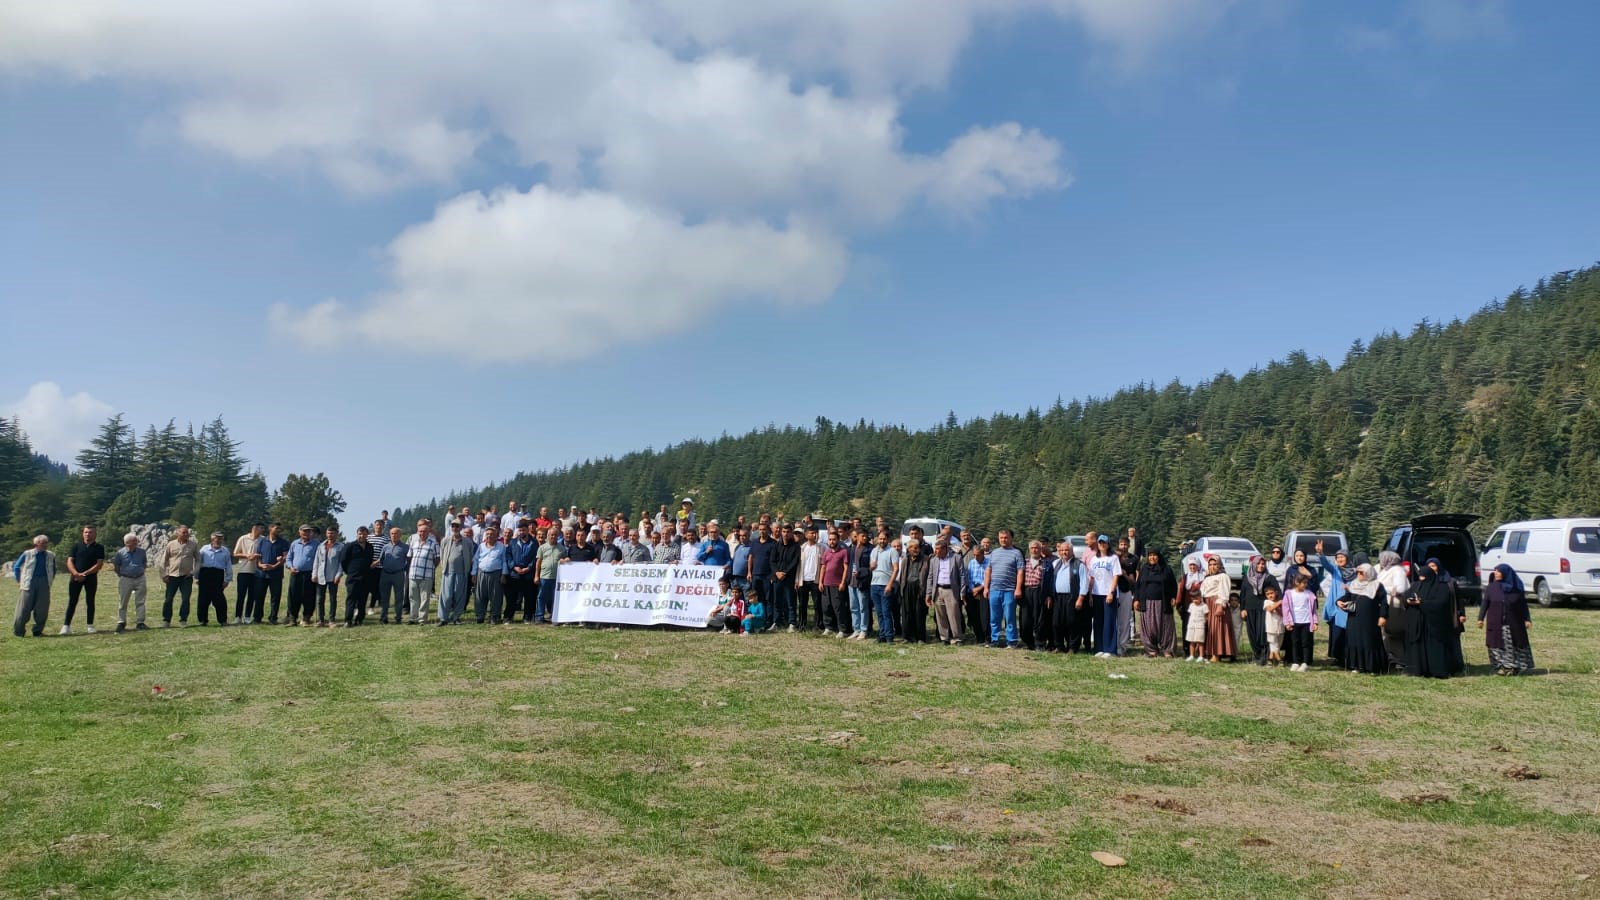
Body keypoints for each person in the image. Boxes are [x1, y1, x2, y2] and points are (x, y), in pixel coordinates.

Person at [1404, 561, 1456, 679]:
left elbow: (1441, 602)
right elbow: (1406, 596)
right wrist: (1408, 601)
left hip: (1433, 623)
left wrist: (1422, 603)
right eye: (1420, 577)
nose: (1422, 580)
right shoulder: (1416, 585)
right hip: (1417, 622)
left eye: (1424, 577)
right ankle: (1418, 669)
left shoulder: (1441, 587)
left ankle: (1437, 670)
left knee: (1435, 647)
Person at [1480, 564, 1534, 676]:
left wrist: (1527, 619)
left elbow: (1523, 605)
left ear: (1505, 573)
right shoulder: (1492, 588)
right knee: (1496, 645)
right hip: (1496, 622)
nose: (1495, 573)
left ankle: (1513, 667)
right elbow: (1485, 603)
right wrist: (1480, 618)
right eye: (1495, 571)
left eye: (1498, 571)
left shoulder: (1516, 589)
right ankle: (1501, 666)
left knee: (1513, 645)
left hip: (1514, 623)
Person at [1343, 564, 1389, 674]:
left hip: (1370, 620)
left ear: (1369, 573)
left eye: (1361, 572)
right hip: (1354, 618)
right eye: (1357, 572)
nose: (1358, 574)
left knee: (1369, 641)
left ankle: (1373, 667)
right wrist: (1339, 601)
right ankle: (1357, 665)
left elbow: (1384, 602)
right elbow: (1348, 596)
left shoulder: (1377, 585)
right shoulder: (1354, 584)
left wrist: (1383, 616)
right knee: (1355, 640)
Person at [61, 525, 106, 635]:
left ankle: (90, 626)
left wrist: (85, 574)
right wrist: (76, 574)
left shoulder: (99, 547)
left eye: (90, 532)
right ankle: (66, 626)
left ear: (95, 534)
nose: (88, 534)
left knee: (90, 601)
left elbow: (99, 564)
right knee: (72, 601)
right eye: (86, 532)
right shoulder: (76, 546)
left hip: (91, 578)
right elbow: (70, 561)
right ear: (83, 534)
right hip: (75, 577)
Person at [984, 529, 1024, 649]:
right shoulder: (994, 553)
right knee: (994, 617)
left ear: (1011, 538)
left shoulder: (1017, 553)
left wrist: (1018, 588)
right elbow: (988, 570)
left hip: (1009, 590)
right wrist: (986, 587)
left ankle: (1011, 641)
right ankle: (995, 640)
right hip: (994, 590)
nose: (1003, 540)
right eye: (1001, 537)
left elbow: (1020, 572)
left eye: (1006, 537)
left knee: (1009, 617)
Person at [1427, 558, 1468, 676]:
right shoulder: (1427, 582)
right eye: (1429, 566)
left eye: (1433, 566)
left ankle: (1456, 665)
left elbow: (1459, 599)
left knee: (1453, 641)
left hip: (1451, 615)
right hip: (1436, 617)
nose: (1431, 569)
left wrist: (1461, 614)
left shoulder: (1450, 581)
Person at [1134, 549, 1178, 658]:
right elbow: (1138, 585)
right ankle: (1151, 650)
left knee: (1165, 627)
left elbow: (1173, 585)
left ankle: (1167, 649)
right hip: (1147, 603)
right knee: (1149, 627)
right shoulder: (1144, 569)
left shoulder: (1166, 569)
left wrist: (1173, 597)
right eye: (1150, 555)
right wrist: (1136, 599)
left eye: (1154, 555)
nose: (1152, 557)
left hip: (1163, 603)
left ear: (1159, 557)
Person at [1317, 541, 1354, 665]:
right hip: (1335, 607)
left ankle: (1347, 658)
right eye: (1337, 557)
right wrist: (1321, 553)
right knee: (1336, 632)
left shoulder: (1354, 573)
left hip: (1347, 606)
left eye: (1342, 557)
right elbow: (1326, 565)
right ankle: (1337, 657)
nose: (1339, 559)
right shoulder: (1335, 570)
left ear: (1348, 558)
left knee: (1346, 632)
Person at [1085, 535, 1122, 656]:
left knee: (1109, 621)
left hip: (1108, 593)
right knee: (1098, 622)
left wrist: (1111, 592)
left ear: (1108, 544)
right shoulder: (1094, 559)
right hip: (1096, 594)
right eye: (1100, 543)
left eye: (1104, 543)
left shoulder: (1113, 558)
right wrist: (1090, 594)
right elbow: (1092, 578)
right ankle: (1099, 648)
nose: (1102, 545)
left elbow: (1116, 576)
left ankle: (1110, 649)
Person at [12, 535, 55, 637]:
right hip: (29, 582)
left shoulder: (51, 555)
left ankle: (37, 631)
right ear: (36, 544)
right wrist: (19, 580)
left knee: (42, 608)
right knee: (23, 608)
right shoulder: (27, 553)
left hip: (44, 582)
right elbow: (16, 567)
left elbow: (54, 569)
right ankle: (19, 632)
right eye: (43, 543)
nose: (45, 545)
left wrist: (50, 580)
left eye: (46, 542)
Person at [156, 526, 199, 627]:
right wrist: (163, 575)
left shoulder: (193, 545)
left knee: (185, 599)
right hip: (172, 576)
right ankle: (166, 620)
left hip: (186, 577)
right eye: (184, 532)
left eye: (187, 532)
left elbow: (198, 560)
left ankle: (183, 619)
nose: (186, 534)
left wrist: (193, 572)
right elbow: (163, 560)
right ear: (178, 533)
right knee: (168, 599)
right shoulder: (171, 544)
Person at [1238, 556, 1277, 666]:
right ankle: (1257, 655)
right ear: (1253, 565)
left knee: (1262, 633)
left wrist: (1274, 605)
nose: (1261, 566)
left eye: (1263, 564)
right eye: (1258, 563)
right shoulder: (1247, 578)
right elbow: (1243, 594)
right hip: (1249, 609)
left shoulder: (1269, 578)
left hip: (1263, 610)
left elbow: (1277, 592)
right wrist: (1242, 609)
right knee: (1252, 634)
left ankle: (1264, 657)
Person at [927, 537, 966, 646]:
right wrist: (928, 594)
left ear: (945, 549)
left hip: (951, 590)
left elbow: (962, 576)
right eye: (935, 549)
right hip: (938, 590)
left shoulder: (956, 558)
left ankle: (957, 637)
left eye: (938, 549)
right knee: (940, 615)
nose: (936, 551)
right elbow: (930, 577)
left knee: (954, 615)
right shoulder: (933, 560)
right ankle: (944, 637)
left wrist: (962, 592)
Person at [1048, 540, 1085, 654]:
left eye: (1067, 550)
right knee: (1056, 623)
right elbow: (1051, 581)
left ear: (1072, 551)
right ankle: (1059, 646)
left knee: (1072, 623)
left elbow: (1084, 583)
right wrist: (1050, 596)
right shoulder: (1056, 563)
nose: (1064, 552)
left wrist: (1080, 598)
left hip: (1072, 597)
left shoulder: (1079, 564)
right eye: (1062, 550)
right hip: (1058, 598)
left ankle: (1073, 647)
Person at [1201, 555, 1236, 663]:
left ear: (1219, 565)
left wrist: (1220, 605)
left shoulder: (1223, 576)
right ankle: (1209, 652)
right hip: (1207, 604)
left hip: (1216, 603)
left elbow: (1224, 591)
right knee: (1209, 628)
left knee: (1217, 629)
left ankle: (1216, 654)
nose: (1212, 567)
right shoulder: (1206, 578)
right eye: (1210, 565)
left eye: (1215, 564)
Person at [111, 532, 149, 633]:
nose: (136, 542)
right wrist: (122, 575)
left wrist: (140, 571)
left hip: (140, 578)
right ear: (127, 543)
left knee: (140, 601)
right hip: (126, 579)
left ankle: (140, 622)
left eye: (136, 541)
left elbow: (144, 563)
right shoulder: (120, 553)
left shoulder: (142, 552)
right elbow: (116, 566)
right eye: (133, 541)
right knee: (123, 601)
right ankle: (121, 622)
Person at [195, 531, 233, 626]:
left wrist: (227, 579)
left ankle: (222, 620)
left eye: (221, 539)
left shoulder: (225, 551)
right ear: (212, 539)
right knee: (203, 598)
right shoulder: (204, 549)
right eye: (217, 538)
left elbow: (228, 565)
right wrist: (196, 576)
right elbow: (198, 562)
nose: (219, 540)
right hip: (205, 574)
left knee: (219, 599)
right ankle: (203, 620)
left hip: (218, 575)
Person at [1282, 574, 1318, 672]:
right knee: (1295, 643)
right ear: (1297, 582)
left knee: (1306, 643)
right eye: (1304, 583)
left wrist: (1315, 622)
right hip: (1294, 623)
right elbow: (1285, 609)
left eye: (1306, 583)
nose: (1305, 585)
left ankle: (1305, 663)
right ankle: (1295, 662)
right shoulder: (1289, 593)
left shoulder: (1309, 594)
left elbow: (1313, 610)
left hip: (1307, 622)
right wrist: (1287, 623)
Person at [869, 531, 900, 644]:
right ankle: (882, 635)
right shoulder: (874, 551)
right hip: (874, 584)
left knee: (886, 612)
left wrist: (890, 584)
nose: (882, 541)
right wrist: (871, 566)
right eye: (880, 539)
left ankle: (889, 636)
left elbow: (896, 569)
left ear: (888, 539)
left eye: (884, 539)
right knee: (879, 612)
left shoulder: (892, 551)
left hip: (885, 585)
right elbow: (871, 567)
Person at [285, 524, 319, 626]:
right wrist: (291, 567)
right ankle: (292, 618)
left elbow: (319, 559)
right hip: (295, 574)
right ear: (299, 532)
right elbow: (289, 558)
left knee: (309, 596)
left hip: (309, 574)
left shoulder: (316, 544)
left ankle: (306, 618)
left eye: (308, 531)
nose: (306, 533)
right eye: (304, 531)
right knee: (293, 596)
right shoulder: (295, 543)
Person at [406, 520, 440, 624]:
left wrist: (430, 567)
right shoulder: (413, 542)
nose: (422, 533)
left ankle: (422, 618)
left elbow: (437, 559)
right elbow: (409, 557)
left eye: (424, 531)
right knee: (413, 598)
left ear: (428, 532)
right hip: (413, 575)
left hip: (426, 575)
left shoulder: (434, 543)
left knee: (424, 598)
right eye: (420, 531)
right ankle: (413, 617)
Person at [897, 537, 930, 644]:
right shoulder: (905, 560)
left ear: (919, 548)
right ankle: (907, 637)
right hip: (907, 587)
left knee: (919, 613)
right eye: (911, 547)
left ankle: (920, 637)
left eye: (916, 547)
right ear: (908, 549)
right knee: (907, 613)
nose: (914, 550)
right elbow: (902, 575)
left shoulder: (925, 559)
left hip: (920, 588)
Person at [1017, 540, 1049, 651]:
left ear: (1040, 549)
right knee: (1025, 620)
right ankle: (1028, 642)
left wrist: (1048, 595)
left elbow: (1049, 580)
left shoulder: (1046, 563)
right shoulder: (1024, 562)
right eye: (1032, 548)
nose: (1034, 550)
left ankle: (1040, 643)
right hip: (1026, 592)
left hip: (1039, 592)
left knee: (1039, 619)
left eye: (1037, 548)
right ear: (1029, 549)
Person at [340, 526, 374, 627]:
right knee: (351, 599)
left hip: (366, 577)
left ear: (367, 535)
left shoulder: (370, 547)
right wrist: (350, 572)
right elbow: (343, 561)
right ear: (357, 534)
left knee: (363, 600)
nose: (362, 536)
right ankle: (348, 620)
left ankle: (359, 619)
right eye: (360, 534)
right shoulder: (349, 546)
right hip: (353, 577)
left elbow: (370, 560)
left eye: (364, 534)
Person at [504, 521, 538, 623]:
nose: (522, 532)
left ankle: (527, 617)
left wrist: (529, 568)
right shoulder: (513, 542)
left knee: (529, 597)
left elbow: (536, 557)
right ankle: (508, 617)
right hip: (515, 574)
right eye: (520, 530)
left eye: (524, 530)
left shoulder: (534, 543)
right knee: (512, 598)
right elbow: (508, 556)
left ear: (528, 530)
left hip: (528, 573)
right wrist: (514, 567)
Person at [375, 526, 410, 624]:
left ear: (400, 535)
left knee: (399, 597)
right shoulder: (385, 547)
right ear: (390, 535)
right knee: (384, 598)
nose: (394, 535)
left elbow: (409, 561)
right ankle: (383, 617)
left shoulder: (405, 547)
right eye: (392, 534)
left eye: (396, 533)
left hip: (398, 574)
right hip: (385, 574)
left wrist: (404, 569)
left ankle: (398, 617)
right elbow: (381, 559)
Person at [256, 523, 289, 624]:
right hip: (262, 574)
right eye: (276, 528)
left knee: (275, 597)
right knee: (259, 596)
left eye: (280, 528)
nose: (279, 530)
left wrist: (274, 566)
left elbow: (285, 557)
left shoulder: (283, 542)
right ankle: (257, 618)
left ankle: (273, 618)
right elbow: (258, 556)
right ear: (270, 529)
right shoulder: (262, 541)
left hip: (276, 574)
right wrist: (260, 565)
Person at [472, 526, 507, 624]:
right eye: (487, 534)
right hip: (481, 573)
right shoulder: (481, 546)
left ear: (496, 536)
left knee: (496, 596)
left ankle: (494, 616)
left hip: (496, 574)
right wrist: (474, 573)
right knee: (480, 596)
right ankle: (480, 615)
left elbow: (504, 561)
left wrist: (504, 574)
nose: (489, 536)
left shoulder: (501, 546)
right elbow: (475, 560)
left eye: (492, 534)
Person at [231, 523, 264, 625]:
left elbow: (264, 553)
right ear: (254, 528)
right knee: (241, 595)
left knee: (252, 596)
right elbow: (235, 553)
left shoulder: (263, 539)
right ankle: (238, 617)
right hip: (243, 570)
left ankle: (247, 616)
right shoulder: (243, 538)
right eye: (261, 528)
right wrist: (247, 556)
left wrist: (257, 556)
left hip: (256, 571)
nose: (262, 530)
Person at [820, 530, 851, 637]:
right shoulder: (826, 552)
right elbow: (823, 567)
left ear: (838, 540)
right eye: (830, 539)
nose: (831, 541)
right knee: (826, 607)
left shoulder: (843, 552)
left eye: (834, 539)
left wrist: (843, 582)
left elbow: (846, 568)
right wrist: (820, 582)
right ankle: (828, 627)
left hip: (837, 585)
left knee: (838, 608)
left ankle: (842, 629)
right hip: (826, 584)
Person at [312, 528, 344, 628]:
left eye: (332, 533)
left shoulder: (341, 547)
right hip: (321, 576)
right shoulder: (321, 546)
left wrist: (338, 575)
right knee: (320, 599)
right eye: (328, 533)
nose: (330, 535)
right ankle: (321, 620)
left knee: (333, 599)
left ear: (336, 534)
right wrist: (314, 574)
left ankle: (331, 620)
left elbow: (341, 563)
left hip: (333, 577)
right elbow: (316, 561)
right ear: (326, 534)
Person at [770, 527, 800, 633]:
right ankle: (776, 622)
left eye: (788, 532)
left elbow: (795, 562)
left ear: (791, 533)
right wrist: (777, 572)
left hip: (789, 578)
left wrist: (785, 572)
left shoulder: (795, 546)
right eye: (784, 532)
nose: (785, 534)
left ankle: (792, 623)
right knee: (777, 601)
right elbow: (772, 561)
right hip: (777, 577)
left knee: (790, 601)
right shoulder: (776, 545)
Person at [849, 530, 875, 640]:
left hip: (863, 582)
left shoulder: (870, 549)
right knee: (853, 607)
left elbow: (872, 567)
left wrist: (861, 572)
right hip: (852, 582)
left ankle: (864, 630)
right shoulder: (852, 548)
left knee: (863, 607)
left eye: (866, 536)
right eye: (862, 536)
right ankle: (856, 629)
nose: (865, 538)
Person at [535, 527, 564, 623]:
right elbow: (538, 562)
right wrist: (536, 575)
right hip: (544, 576)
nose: (553, 537)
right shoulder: (542, 547)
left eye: (555, 535)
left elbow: (565, 560)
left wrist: (566, 559)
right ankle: (539, 617)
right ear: (548, 536)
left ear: (558, 536)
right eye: (552, 535)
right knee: (541, 597)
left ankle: (553, 616)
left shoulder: (562, 548)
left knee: (554, 598)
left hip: (556, 577)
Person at [963, 541, 989, 645]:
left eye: (978, 555)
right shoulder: (972, 562)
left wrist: (979, 588)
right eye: (974, 555)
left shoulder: (989, 563)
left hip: (983, 590)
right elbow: (969, 577)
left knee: (984, 615)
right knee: (973, 615)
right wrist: (972, 588)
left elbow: (988, 578)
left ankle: (986, 636)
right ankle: (978, 637)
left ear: (982, 554)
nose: (975, 557)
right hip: (972, 591)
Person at [1183, 567, 1208, 662]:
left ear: (1201, 597)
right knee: (1192, 641)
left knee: (1200, 641)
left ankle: (1201, 656)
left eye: (1197, 598)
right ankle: (1192, 655)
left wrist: (1204, 622)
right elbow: (1190, 614)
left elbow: (1206, 615)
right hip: (1191, 625)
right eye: (1193, 599)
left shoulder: (1204, 606)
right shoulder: (1191, 605)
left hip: (1200, 625)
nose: (1195, 600)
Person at [1262, 584, 1286, 667]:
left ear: (1276, 592)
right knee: (1273, 643)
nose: (1270, 595)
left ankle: (1270, 659)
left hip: (1280, 627)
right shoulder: (1267, 602)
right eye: (1268, 594)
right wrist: (1279, 602)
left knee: (1278, 644)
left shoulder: (1279, 602)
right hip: (1271, 627)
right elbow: (1270, 609)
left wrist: (1279, 604)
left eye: (1271, 593)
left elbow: (1282, 614)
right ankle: (1279, 660)